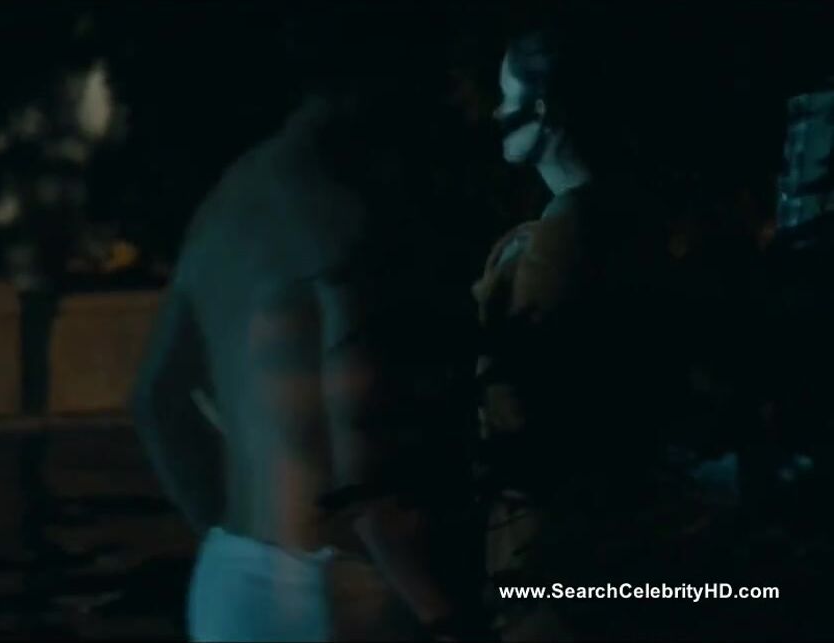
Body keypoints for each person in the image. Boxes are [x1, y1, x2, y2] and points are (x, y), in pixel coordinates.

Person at [131, 21, 490, 641]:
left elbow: (155, 399)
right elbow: (362, 438)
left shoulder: (228, 201)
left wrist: (230, 535)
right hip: (347, 592)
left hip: (229, 584)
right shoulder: (364, 201)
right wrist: (445, 613)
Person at [476, 23, 745, 639]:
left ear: (544, 110)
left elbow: (523, 408)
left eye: (506, 95)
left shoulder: (563, 239)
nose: (493, 112)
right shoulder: (624, 218)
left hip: (557, 556)